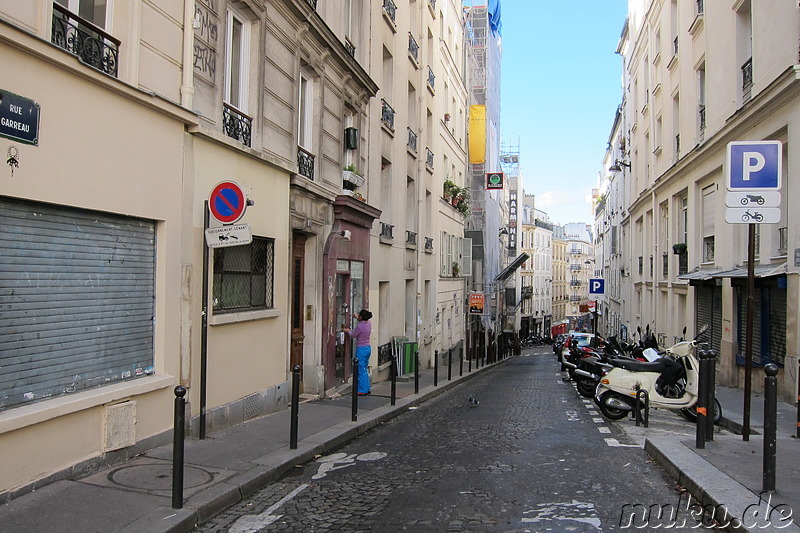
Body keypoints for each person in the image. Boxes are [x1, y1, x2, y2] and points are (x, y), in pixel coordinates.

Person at [344, 309, 373, 395]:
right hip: (367, 348)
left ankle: (362, 390)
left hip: (361, 349)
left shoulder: (360, 326)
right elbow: (362, 322)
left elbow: (353, 335)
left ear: (361, 317)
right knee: (364, 369)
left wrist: (347, 331)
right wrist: (358, 317)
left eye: (359, 316)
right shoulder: (368, 323)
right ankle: (367, 388)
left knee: (360, 369)